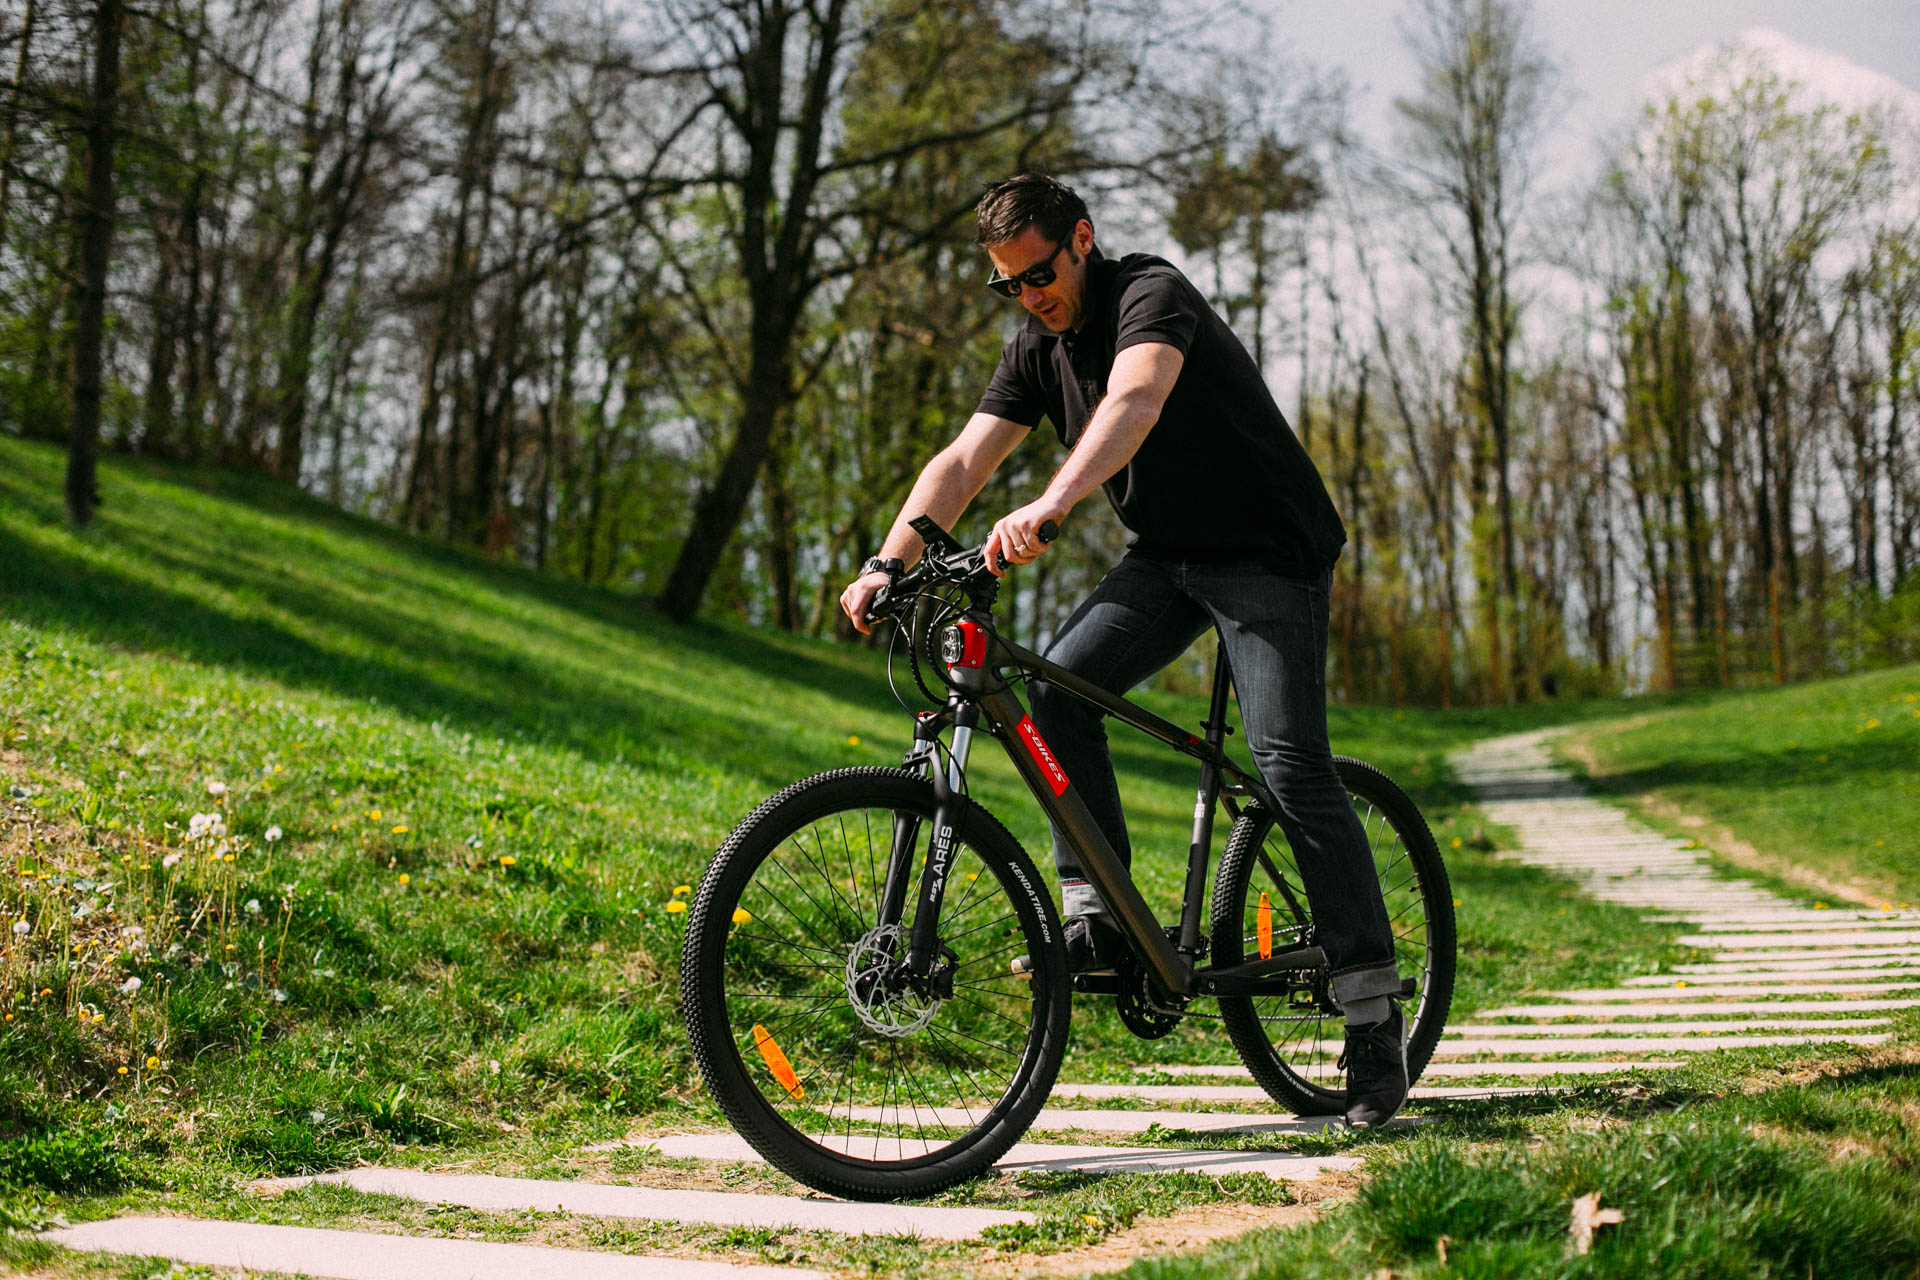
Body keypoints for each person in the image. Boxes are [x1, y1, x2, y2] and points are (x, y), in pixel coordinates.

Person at [838, 173, 1408, 1129]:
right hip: (1168, 557)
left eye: (1039, 274)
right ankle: (1099, 918)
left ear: (1082, 240)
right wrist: (886, 563)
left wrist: (1052, 502)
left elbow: (1135, 400)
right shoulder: (1036, 349)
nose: (1029, 296)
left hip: (1269, 551)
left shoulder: (1151, 292)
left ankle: (1372, 1014)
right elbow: (964, 461)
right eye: (1008, 284)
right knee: (1060, 694)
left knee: (1286, 761)